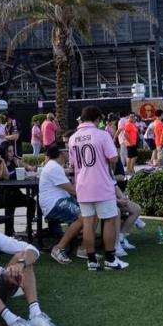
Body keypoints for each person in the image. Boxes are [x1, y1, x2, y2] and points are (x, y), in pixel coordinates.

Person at [67, 105, 128, 270]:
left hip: (82, 186)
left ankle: (91, 260)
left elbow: (72, 164)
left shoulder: (73, 138)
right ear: (97, 119)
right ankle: (110, 259)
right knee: (108, 220)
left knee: (88, 223)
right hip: (101, 185)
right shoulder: (102, 134)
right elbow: (114, 158)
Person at [37, 145, 83, 264]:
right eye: (67, 151)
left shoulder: (54, 166)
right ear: (61, 153)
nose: (69, 153)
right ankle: (58, 248)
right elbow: (72, 190)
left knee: (89, 213)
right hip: (54, 204)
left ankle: (83, 247)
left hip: (59, 201)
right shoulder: (54, 167)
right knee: (83, 216)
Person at [0, 142, 36, 237]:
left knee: (31, 202)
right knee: (10, 200)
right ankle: (9, 233)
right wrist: (2, 162)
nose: (12, 153)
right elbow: (6, 176)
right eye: (9, 151)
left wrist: (32, 168)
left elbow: (28, 167)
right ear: (4, 152)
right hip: (1, 195)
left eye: (12, 151)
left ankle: (29, 229)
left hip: (15, 193)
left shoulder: (15, 161)